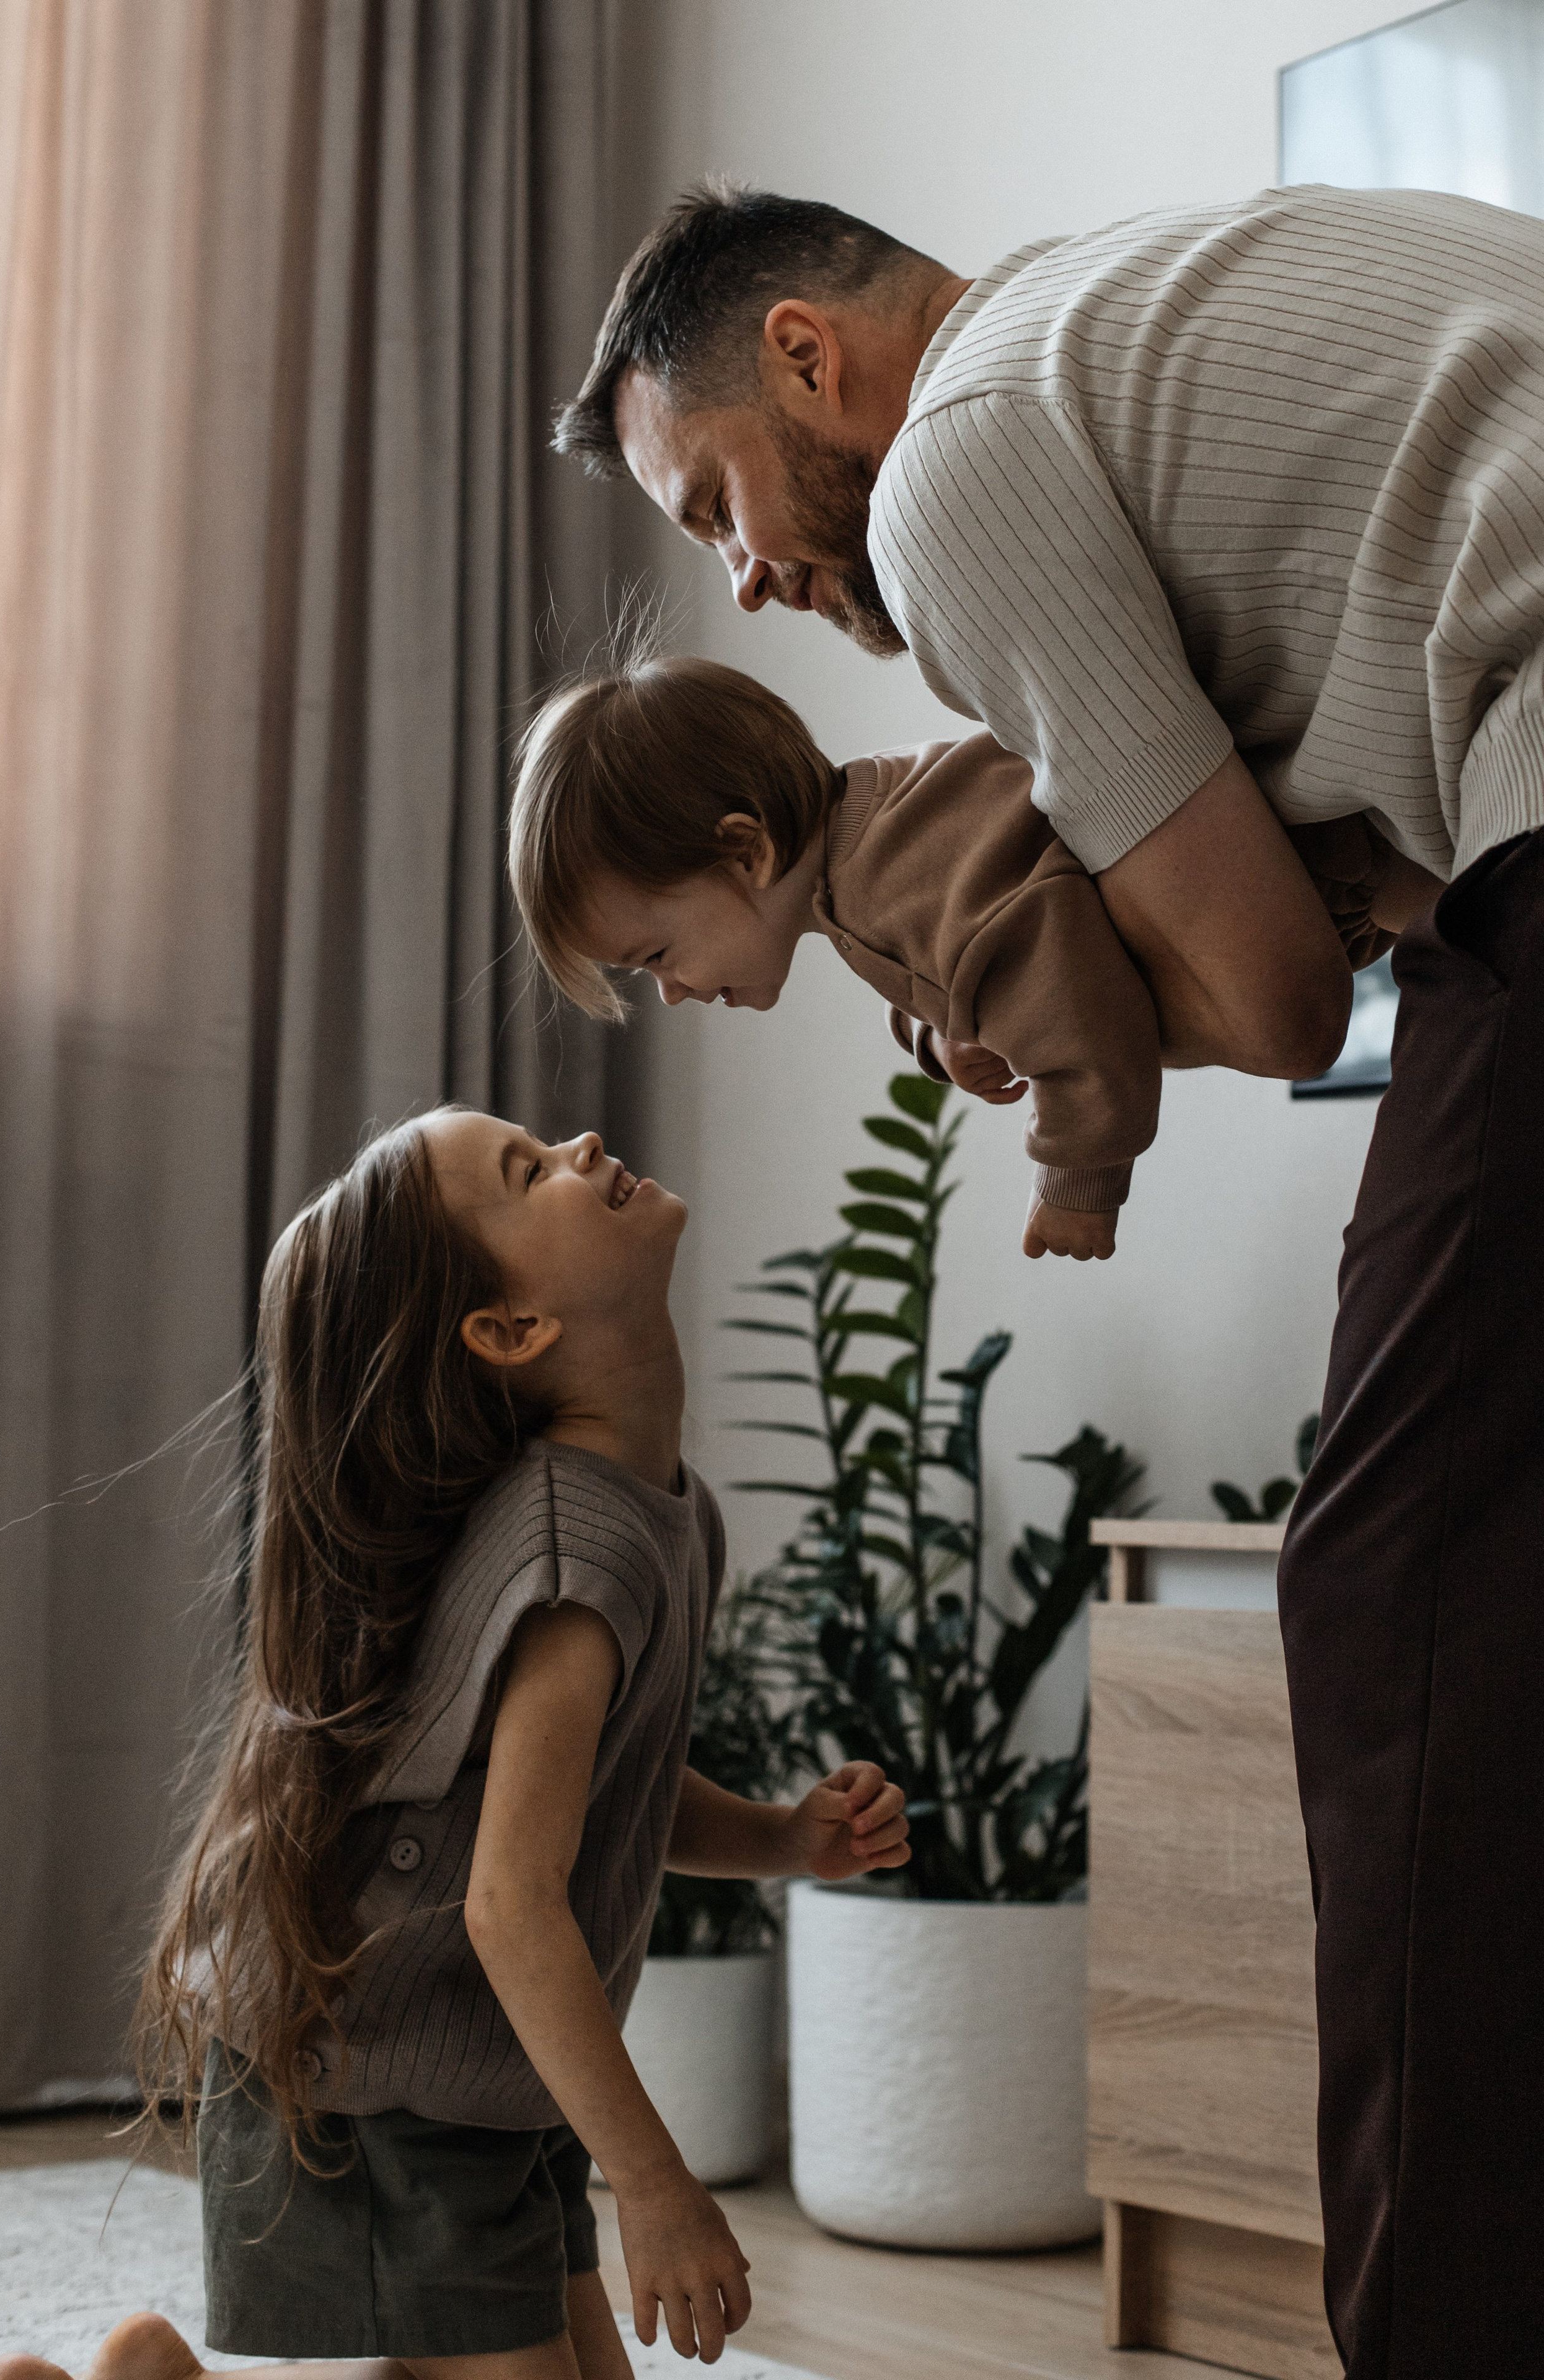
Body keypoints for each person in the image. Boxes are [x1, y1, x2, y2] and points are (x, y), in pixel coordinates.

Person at [554, 182, 1544, 2378]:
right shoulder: (1134, 328)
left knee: (1399, 1599)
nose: (743, 576)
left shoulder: (960, 457)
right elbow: (1330, 902)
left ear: (813, 358)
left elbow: (1283, 1004)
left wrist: (1056, 1055)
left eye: (710, 495)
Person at [0, 1109, 909, 2380]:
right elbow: (510, 1902)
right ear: (511, 1331)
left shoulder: (656, 1515)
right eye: (529, 1172)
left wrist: (777, 1838)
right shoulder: (572, 1553)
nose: (580, 1143)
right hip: (375, 2091)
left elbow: (595, 1789)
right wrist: (657, 2183)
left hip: (482, 2069)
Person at [510, 650, 1440, 1261]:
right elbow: (960, 948)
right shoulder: (867, 838)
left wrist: (1079, 1178)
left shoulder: (886, 881)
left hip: (1317, 863)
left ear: (746, 851)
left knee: (1457, 901)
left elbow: (1060, 978)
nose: (671, 993)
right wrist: (940, 1033)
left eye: (658, 955)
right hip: (1309, 857)